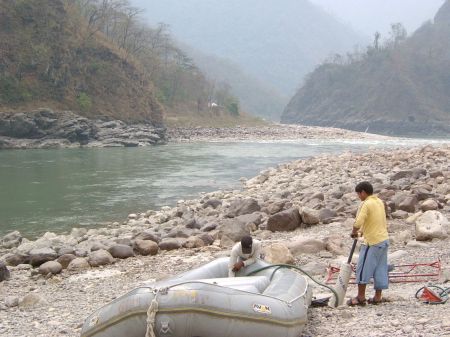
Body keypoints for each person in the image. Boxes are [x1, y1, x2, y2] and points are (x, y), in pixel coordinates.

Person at [348, 181, 389, 306]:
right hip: (384, 240)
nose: (358, 197)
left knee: (362, 269)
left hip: (372, 242)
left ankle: (360, 298)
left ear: (363, 192)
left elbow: (358, 222)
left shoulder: (366, 203)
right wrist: (362, 232)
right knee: (380, 268)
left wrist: (354, 232)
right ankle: (377, 297)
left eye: (359, 194)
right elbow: (374, 221)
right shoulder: (379, 202)